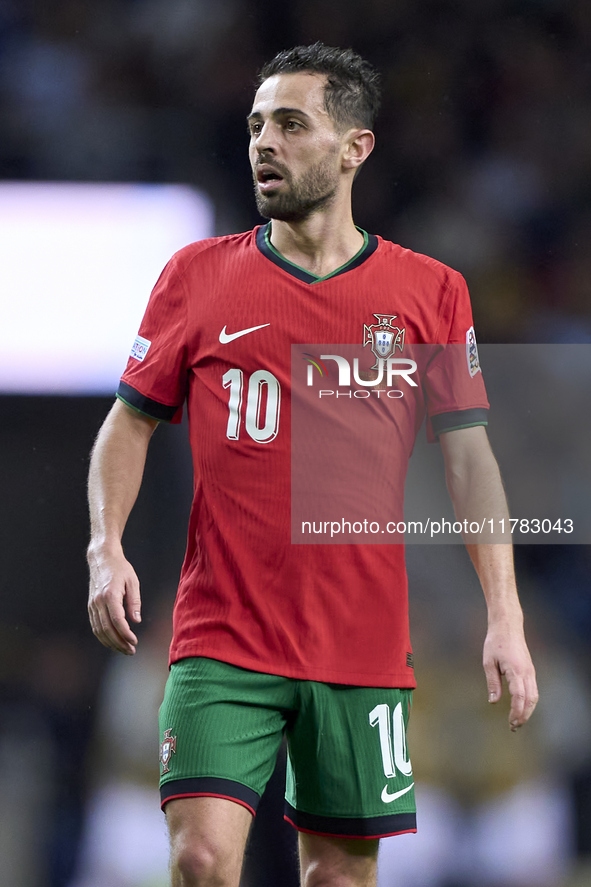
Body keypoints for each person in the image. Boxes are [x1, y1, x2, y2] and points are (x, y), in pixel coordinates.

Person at [87, 43, 538, 887]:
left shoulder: (429, 291)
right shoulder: (196, 275)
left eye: (291, 125)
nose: (265, 142)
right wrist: (105, 546)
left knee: (335, 876)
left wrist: (503, 614)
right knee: (198, 856)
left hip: (360, 642)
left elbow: (470, 462)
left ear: (354, 148)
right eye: (256, 124)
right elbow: (128, 424)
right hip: (222, 634)